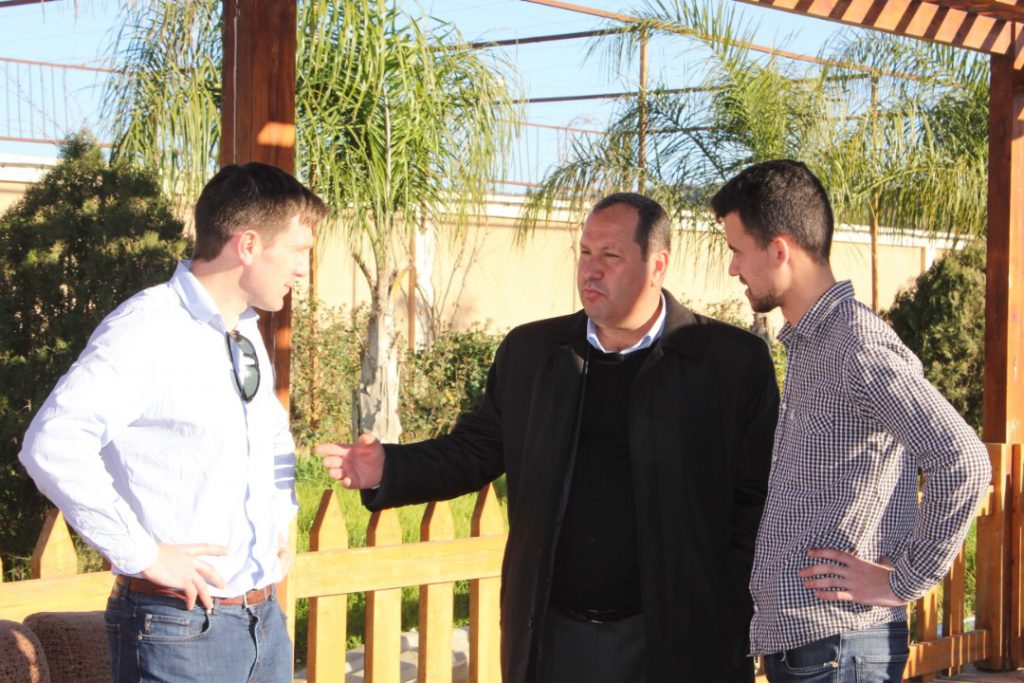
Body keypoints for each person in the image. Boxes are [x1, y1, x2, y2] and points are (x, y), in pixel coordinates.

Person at [318, 192, 779, 682]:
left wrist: (727, 604)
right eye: (583, 253)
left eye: (610, 256)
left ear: (657, 264)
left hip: (682, 643)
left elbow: (761, 499)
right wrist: (389, 468)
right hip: (555, 639)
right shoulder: (533, 354)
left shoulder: (729, 363)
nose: (589, 271)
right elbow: (474, 450)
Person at [19, 162, 327, 682]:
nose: (304, 269)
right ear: (248, 245)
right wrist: (142, 553)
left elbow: (272, 435)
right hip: (178, 628)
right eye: (298, 251)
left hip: (262, 623)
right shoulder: (148, 328)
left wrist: (278, 517)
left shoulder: (245, 332)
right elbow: (51, 444)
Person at [711, 159, 991, 682]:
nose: (733, 269)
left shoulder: (854, 346)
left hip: (839, 648)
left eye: (736, 250)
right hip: (818, 646)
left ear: (778, 250)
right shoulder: (815, 344)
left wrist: (902, 581)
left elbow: (964, 461)